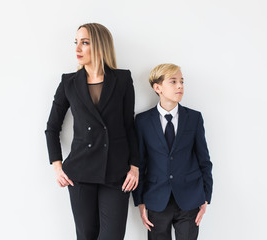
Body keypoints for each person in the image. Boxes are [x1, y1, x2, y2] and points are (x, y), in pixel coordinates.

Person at [45, 23, 139, 240]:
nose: (77, 48)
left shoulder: (122, 79)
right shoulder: (68, 82)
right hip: (79, 172)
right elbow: (52, 128)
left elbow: (129, 126)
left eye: (84, 42)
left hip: (117, 173)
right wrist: (57, 167)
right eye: (76, 42)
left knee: (112, 236)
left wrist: (134, 167)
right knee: (86, 236)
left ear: (99, 45)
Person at [132, 63, 213, 240]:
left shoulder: (194, 118)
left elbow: (204, 160)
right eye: (173, 81)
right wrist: (140, 202)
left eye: (182, 82)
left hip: (190, 199)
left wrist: (205, 197)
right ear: (157, 87)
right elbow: (139, 163)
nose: (180, 86)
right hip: (156, 199)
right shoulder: (143, 121)